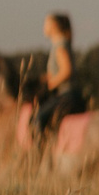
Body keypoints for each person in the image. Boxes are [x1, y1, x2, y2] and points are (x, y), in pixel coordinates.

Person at [34, 11, 87, 142]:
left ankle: (39, 153)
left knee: (39, 117)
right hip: (69, 93)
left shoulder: (60, 46)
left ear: (55, 26)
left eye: (46, 23)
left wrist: (51, 84)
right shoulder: (61, 44)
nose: (44, 27)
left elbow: (67, 70)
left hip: (67, 94)